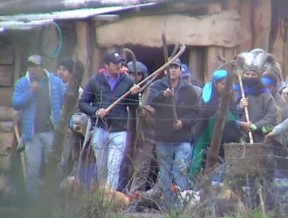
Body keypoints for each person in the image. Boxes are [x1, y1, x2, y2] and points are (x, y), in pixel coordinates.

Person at [79, 51, 141, 190]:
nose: (118, 66)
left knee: (114, 166)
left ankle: (110, 198)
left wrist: (135, 95)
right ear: (106, 65)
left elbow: (133, 107)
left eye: (120, 63)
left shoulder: (127, 81)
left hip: (119, 130)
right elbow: (82, 103)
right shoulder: (95, 80)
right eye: (115, 63)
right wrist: (96, 112)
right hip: (100, 128)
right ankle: (102, 196)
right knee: (102, 168)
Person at [12, 54, 66, 196]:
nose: (32, 69)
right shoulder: (23, 83)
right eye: (30, 66)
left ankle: (53, 199)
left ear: (43, 67)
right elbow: (16, 103)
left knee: (57, 165)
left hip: (52, 131)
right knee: (32, 170)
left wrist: (69, 124)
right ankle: (33, 204)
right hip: (32, 133)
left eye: (35, 66)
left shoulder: (55, 82)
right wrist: (30, 91)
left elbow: (66, 103)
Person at [150, 57, 199, 208]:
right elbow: (150, 101)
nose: (172, 70)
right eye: (170, 67)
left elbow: (196, 113)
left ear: (180, 70)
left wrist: (182, 123)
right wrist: (163, 95)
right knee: (164, 173)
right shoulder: (158, 86)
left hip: (182, 138)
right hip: (163, 138)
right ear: (165, 70)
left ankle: (181, 204)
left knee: (180, 171)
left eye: (175, 67)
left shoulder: (189, 90)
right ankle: (167, 206)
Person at [125, 61, 158, 196]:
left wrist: (143, 109)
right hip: (125, 133)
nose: (135, 76)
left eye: (138, 74)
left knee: (141, 167)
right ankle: (118, 196)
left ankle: (135, 197)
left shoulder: (152, 89)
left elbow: (156, 111)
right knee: (123, 167)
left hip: (145, 135)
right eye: (131, 73)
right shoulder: (122, 86)